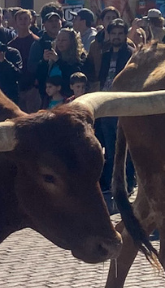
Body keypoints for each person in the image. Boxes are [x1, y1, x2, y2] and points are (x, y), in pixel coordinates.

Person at [92, 19, 133, 192]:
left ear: (125, 35)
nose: (117, 37)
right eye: (114, 33)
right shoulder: (106, 53)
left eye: (120, 33)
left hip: (121, 104)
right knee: (109, 147)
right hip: (106, 104)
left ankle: (128, 182)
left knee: (124, 148)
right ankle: (111, 182)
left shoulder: (130, 53)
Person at [38, 26, 88, 104]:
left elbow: (75, 75)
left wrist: (58, 61)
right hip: (50, 100)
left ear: (72, 42)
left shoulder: (80, 58)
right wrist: (44, 61)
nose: (60, 42)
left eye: (64, 40)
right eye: (58, 40)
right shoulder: (53, 57)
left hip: (69, 99)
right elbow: (41, 78)